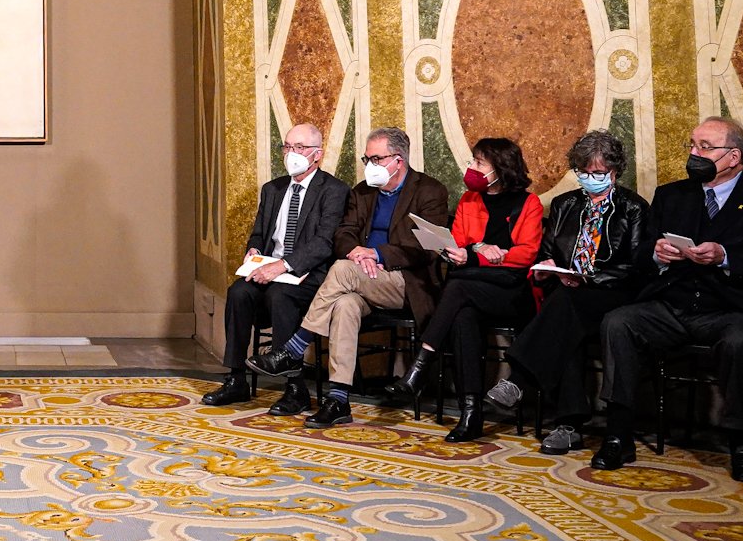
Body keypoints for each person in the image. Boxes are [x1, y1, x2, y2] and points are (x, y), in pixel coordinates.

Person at [591, 116, 743, 482]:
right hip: (672, 304)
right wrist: (657, 254)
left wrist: (725, 255)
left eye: (705, 147)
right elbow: (641, 256)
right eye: (692, 145)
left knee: (741, 341)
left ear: (733, 157)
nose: (694, 153)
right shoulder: (672, 195)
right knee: (618, 322)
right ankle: (617, 433)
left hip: (732, 309)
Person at [247, 127, 452, 428]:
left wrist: (377, 256)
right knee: (344, 305)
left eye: (376, 158)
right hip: (360, 276)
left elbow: (427, 249)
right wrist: (357, 251)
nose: (369, 164)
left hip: (405, 281)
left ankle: (294, 348)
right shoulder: (362, 191)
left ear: (398, 160)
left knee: (341, 270)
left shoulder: (430, 191)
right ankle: (339, 400)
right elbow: (342, 233)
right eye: (366, 158)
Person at [485, 130, 654, 454]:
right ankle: (569, 426)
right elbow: (546, 252)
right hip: (568, 295)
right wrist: (550, 268)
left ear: (614, 172)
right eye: (583, 172)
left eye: (597, 173)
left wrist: (590, 279)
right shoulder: (565, 204)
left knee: (565, 308)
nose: (590, 178)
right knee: (566, 319)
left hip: (613, 295)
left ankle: (519, 379)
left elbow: (636, 266)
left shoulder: (632, 208)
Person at [382, 136, 543, 441]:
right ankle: (471, 414)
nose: (472, 168)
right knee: (462, 313)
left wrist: (490, 254)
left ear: (500, 168)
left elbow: (528, 253)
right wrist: (474, 250)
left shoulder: (529, 203)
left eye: (479, 162)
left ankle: (421, 366)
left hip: (512, 291)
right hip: (471, 286)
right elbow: (457, 241)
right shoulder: (470, 200)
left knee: (457, 288)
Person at [203, 123, 350, 414]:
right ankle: (236, 379)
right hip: (270, 268)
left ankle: (294, 387)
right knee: (239, 293)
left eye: (299, 148)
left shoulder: (333, 190)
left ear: (317, 154)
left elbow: (324, 242)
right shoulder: (273, 189)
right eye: (287, 147)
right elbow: (260, 233)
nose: (291, 154)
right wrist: (254, 250)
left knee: (280, 295)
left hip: (309, 274)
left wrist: (285, 265)